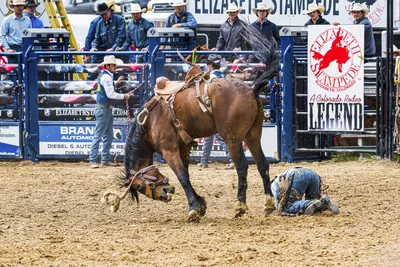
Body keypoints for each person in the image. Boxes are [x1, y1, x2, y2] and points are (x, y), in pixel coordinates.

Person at [89, 55, 131, 168]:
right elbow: (110, 94)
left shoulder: (106, 76)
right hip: (104, 108)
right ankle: (94, 160)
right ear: (107, 66)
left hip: (105, 108)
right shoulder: (106, 78)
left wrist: (115, 84)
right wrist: (124, 96)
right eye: (113, 65)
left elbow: (108, 91)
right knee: (100, 134)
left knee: (107, 135)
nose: (115, 67)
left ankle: (104, 159)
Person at [197, 54, 235, 170]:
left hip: (213, 110)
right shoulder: (224, 76)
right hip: (224, 109)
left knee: (218, 135)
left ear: (210, 65)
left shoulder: (209, 77)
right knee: (209, 136)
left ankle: (232, 159)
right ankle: (204, 161)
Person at [271, 167, 339, 216]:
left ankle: (311, 203)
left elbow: (279, 208)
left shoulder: (273, 186)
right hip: (313, 174)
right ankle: (324, 202)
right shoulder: (280, 177)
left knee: (288, 207)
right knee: (316, 204)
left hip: (298, 176)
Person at [89, 2, 126, 80]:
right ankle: (87, 88)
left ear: (109, 11)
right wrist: (94, 47)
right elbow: (97, 38)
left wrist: (113, 48)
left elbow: (121, 37)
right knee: (93, 71)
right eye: (101, 15)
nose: (104, 16)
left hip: (117, 53)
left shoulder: (119, 20)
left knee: (118, 76)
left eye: (105, 14)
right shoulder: (100, 24)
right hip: (106, 53)